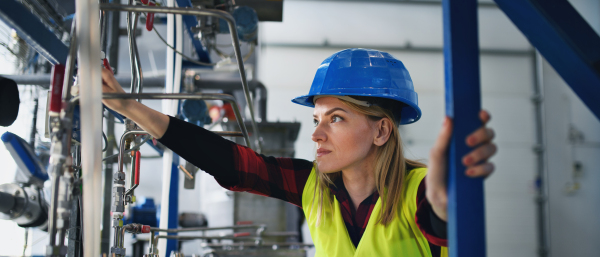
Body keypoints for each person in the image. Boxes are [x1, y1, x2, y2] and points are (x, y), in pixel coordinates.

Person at [101, 48, 496, 257]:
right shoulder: (313, 186)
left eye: (336, 118)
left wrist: (449, 203)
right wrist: (128, 107)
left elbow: (440, 218)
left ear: (381, 130)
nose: (318, 134)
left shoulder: (419, 191)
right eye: (317, 119)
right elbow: (228, 160)